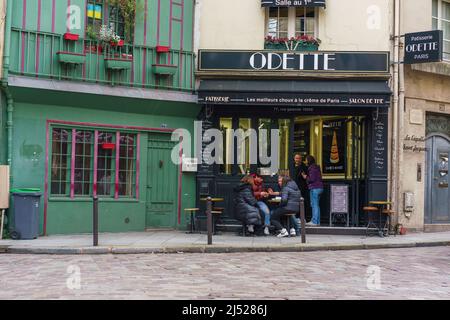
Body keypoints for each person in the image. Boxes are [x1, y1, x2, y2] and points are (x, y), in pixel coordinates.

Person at [301, 155, 324, 226]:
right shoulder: (316, 167)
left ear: (309, 161)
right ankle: (317, 222)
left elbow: (312, 179)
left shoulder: (312, 168)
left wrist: (306, 177)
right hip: (319, 188)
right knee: (316, 205)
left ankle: (314, 221)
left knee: (314, 205)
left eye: (306, 160)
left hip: (315, 188)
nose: (305, 161)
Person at [292, 153, 310, 221]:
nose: (297, 160)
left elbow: (305, 177)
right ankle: (295, 217)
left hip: (302, 188)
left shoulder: (304, 167)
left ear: (301, 159)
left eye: (299, 158)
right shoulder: (292, 166)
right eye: (296, 158)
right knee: (294, 202)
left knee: (302, 202)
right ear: (294, 159)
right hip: (293, 187)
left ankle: (302, 217)